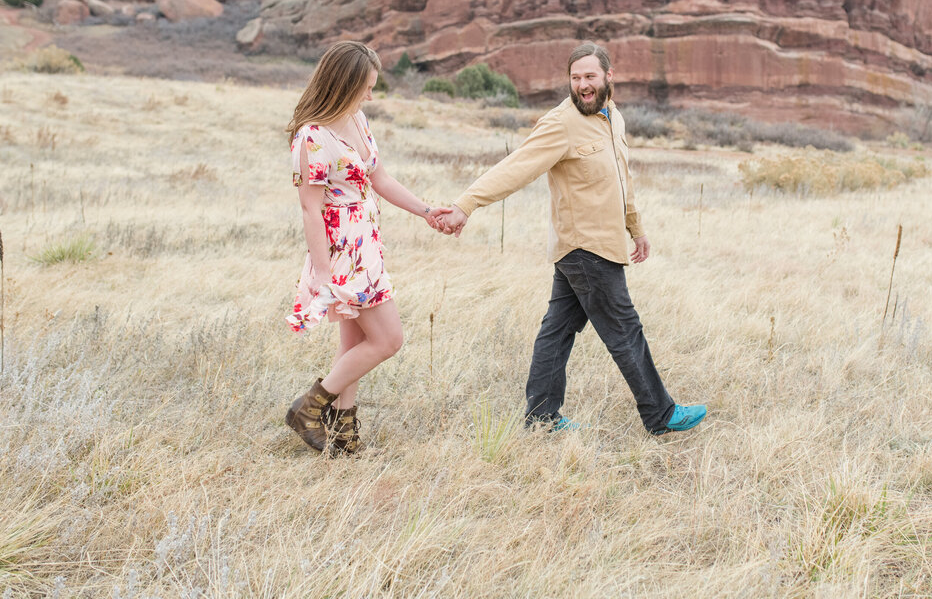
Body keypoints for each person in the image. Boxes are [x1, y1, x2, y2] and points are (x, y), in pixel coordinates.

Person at [436, 42, 707, 435]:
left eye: (590, 77)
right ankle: (660, 415)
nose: (582, 85)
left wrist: (636, 227)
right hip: (585, 248)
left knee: (558, 329)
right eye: (576, 77)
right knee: (625, 329)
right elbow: (517, 167)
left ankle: (541, 417)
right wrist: (466, 204)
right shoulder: (560, 123)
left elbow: (622, 179)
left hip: (601, 243)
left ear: (608, 77)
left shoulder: (614, 117)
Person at [284, 41, 447, 457]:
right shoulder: (312, 138)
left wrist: (426, 211)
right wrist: (323, 274)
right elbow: (309, 208)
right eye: (366, 87)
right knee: (389, 340)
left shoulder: (356, 118)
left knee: (353, 344)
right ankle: (308, 409)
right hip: (340, 252)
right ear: (343, 84)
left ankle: (344, 434)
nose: (371, 96)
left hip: (366, 245)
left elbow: (381, 178)